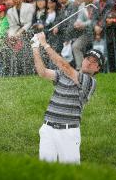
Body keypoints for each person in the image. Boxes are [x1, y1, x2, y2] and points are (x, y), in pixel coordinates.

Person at [31, 32, 101, 164]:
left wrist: (45, 44)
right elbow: (43, 72)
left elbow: (64, 66)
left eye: (94, 62)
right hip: (48, 129)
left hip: (69, 133)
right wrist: (35, 47)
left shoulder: (89, 81)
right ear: (83, 59)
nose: (89, 63)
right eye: (88, 59)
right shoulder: (64, 75)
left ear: (97, 69)